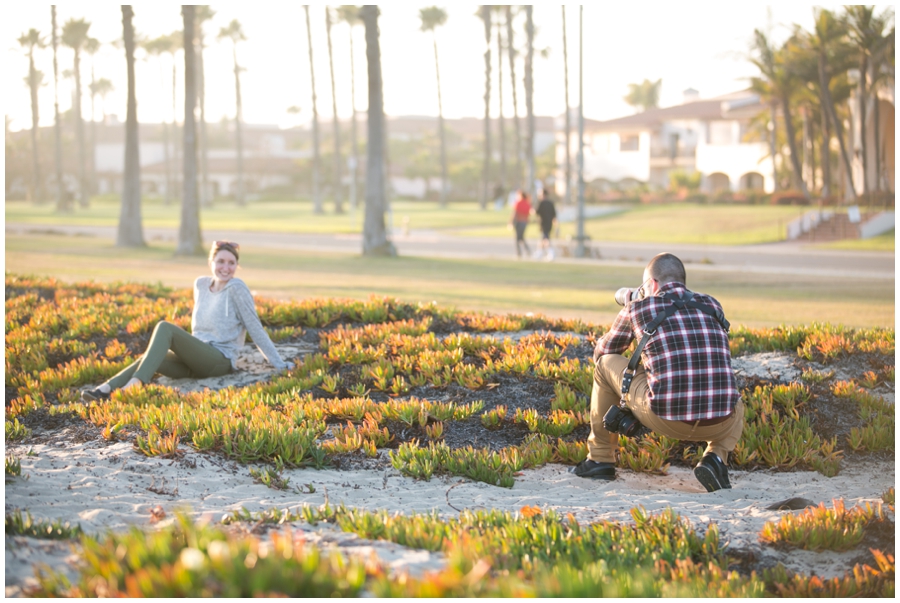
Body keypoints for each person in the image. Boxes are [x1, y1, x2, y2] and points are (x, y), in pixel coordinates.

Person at [570, 252, 743, 492]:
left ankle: (600, 458)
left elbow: (604, 353)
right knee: (736, 400)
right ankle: (715, 457)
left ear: (651, 284)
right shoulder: (712, 304)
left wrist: (632, 305)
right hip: (720, 423)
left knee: (604, 366)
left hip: (665, 418)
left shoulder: (638, 308)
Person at [82, 241, 290, 400]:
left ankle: (136, 383)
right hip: (195, 360)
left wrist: (279, 364)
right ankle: (105, 390)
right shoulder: (200, 285)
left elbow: (255, 328)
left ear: (237, 265)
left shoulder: (237, 289)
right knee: (151, 358)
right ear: (211, 263)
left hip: (219, 361)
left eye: (231, 263)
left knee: (165, 328)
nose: (225, 268)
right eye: (220, 262)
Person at [534, 189, 557, 260]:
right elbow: (554, 215)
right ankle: (539, 253)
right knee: (543, 238)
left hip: (543, 223)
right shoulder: (551, 203)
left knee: (546, 238)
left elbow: (536, 212)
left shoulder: (541, 203)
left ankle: (551, 252)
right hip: (549, 223)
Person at [510, 190, 532, 258]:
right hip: (524, 222)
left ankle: (519, 253)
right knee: (521, 237)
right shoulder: (527, 203)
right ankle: (527, 250)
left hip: (519, 221)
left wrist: (511, 222)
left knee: (517, 238)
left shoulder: (518, 203)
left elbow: (515, 213)